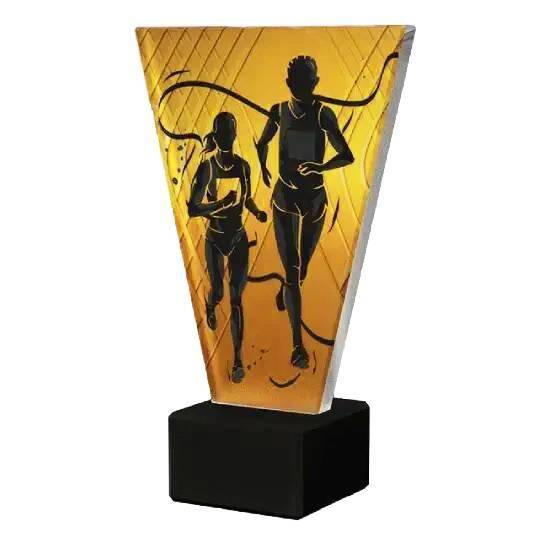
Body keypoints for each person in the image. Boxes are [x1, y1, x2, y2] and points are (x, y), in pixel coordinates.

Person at [255, 55, 354, 369]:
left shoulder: (324, 114)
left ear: (316, 83)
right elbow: (261, 142)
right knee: (293, 269)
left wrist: (320, 167)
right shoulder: (278, 111)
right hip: (285, 197)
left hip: (313, 201)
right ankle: (297, 346)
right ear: (289, 84)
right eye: (299, 82)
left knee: (302, 269)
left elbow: (347, 155)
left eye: (308, 82)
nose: (304, 87)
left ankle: (288, 288)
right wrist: (263, 168)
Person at [188, 112, 267, 383]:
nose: (226, 137)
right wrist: (220, 204)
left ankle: (237, 360)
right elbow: (193, 208)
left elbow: (247, 199)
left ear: (234, 135)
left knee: (236, 299)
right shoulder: (207, 168)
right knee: (219, 291)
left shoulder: (244, 166)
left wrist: (256, 212)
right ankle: (210, 305)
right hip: (215, 238)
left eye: (229, 132)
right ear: (216, 135)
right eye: (221, 133)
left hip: (238, 238)